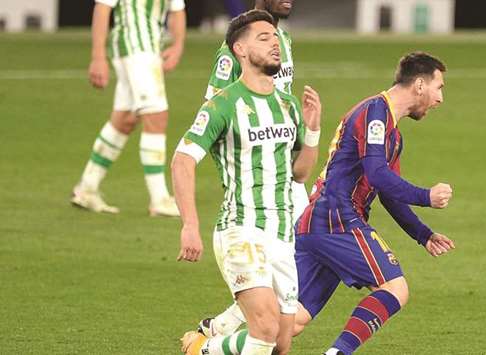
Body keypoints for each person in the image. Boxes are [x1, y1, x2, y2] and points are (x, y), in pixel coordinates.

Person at [199, 52, 456, 355]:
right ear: (419, 85)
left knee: (289, 326)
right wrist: (426, 196)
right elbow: (377, 173)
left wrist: (422, 234)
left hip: (317, 221)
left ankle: (207, 348)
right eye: (439, 87)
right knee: (395, 288)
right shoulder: (376, 113)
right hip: (338, 216)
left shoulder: (392, 134)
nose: (440, 98)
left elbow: (387, 191)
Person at [172, 10, 321, 355]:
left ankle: (202, 349)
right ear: (239, 49)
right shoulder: (222, 106)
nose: (275, 44)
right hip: (241, 228)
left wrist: (312, 131)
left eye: (276, 38)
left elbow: (300, 173)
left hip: (282, 234)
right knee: (265, 327)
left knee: (281, 343)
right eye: (264, 38)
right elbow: (182, 161)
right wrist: (189, 225)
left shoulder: (289, 105)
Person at [197, 0, 306, 338]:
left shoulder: (282, 40)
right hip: (259, 170)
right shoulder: (234, 51)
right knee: (306, 246)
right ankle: (225, 330)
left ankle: (222, 327)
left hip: (286, 159)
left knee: (300, 249)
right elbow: (215, 108)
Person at [71, 0, 186, 216]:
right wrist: (97, 57)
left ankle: (87, 188)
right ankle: (159, 198)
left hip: (149, 47)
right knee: (156, 115)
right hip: (134, 46)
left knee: (125, 120)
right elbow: (102, 7)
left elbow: (177, 9)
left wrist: (178, 45)